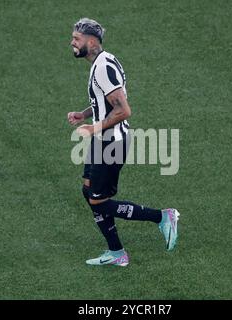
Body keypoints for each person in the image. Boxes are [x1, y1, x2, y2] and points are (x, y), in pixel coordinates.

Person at [67, 18, 179, 267]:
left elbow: (124, 109)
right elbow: (106, 101)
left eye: (77, 38)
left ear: (92, 41)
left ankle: (162, 217)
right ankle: (116, 252)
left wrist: (94, 126)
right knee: (88, 191)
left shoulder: (102, 67)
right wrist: (84, 115)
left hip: (112, 143)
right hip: (102, 139)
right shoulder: (103, 62)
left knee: (98, 201)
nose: (72, 42)